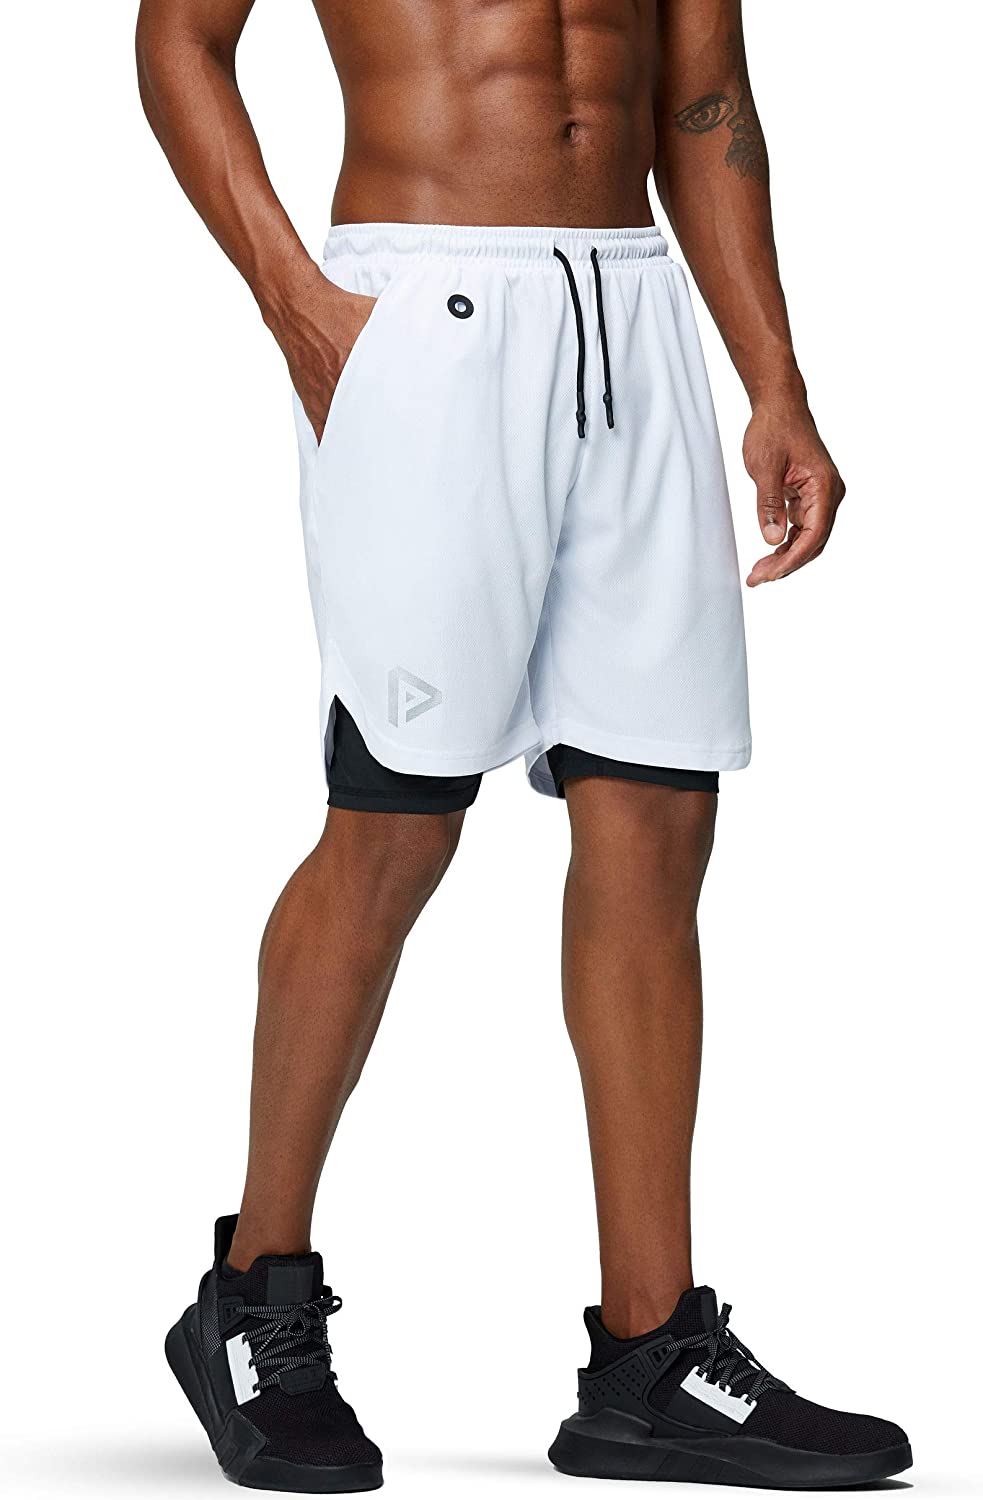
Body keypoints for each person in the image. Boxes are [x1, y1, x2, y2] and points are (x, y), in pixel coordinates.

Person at [137, 0, 910, 1490]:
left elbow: (704, 94)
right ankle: (252, 1295)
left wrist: (774, 378)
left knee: (657, 817)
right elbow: (180, 38)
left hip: (635, 309)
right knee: (396, 820)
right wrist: (294, 301)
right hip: (418, 308)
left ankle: (650, 1359)